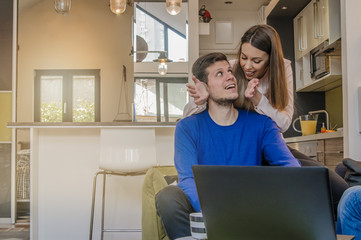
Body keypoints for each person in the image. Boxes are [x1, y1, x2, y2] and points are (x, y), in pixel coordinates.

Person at [155, 52, 301, 240]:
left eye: (230, 71)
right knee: (167, 197)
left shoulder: (262, 124)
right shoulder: (187, 127)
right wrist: (219, 215)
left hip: (251, 209)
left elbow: (291, 167)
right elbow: (188, 179)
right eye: (219, 73)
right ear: (203, 86)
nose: (230, 76)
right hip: (208, 211)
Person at [184, 24, 293, 133]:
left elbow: (284, 125)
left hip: (267, 140)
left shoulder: (283, 68)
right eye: (243, 57)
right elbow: (187, 121)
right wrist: (200, 102)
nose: (247, 66)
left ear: (271, 60)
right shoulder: (231, 69)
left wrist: (258, 99)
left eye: (256, 61)